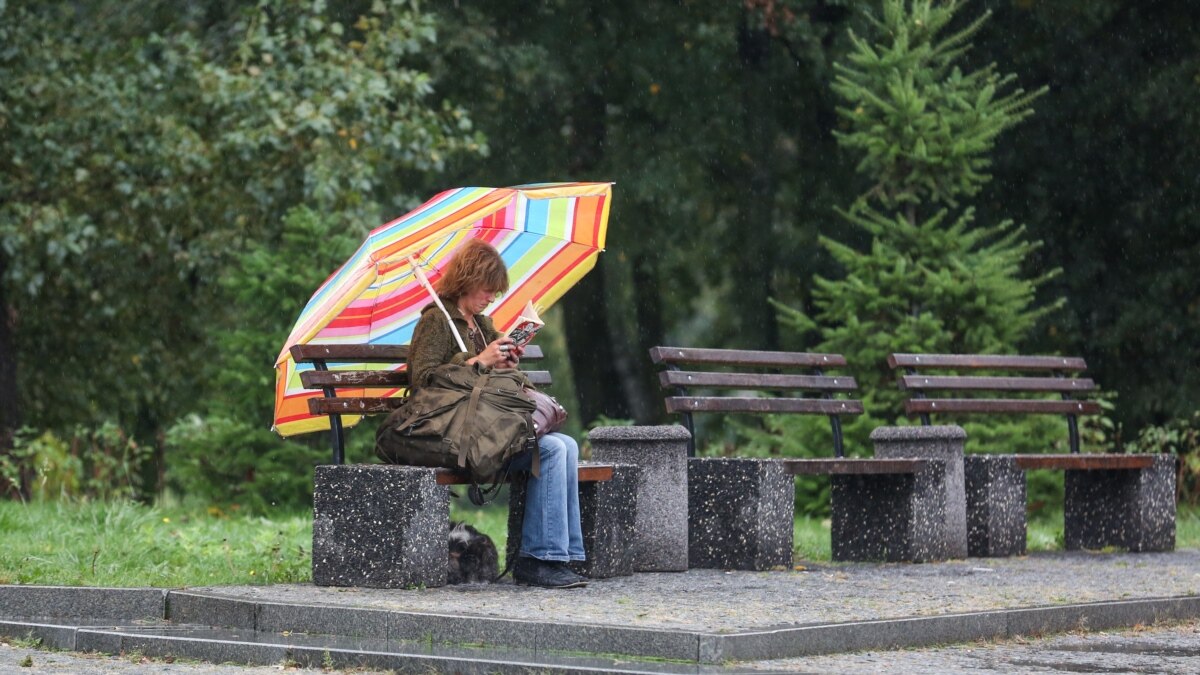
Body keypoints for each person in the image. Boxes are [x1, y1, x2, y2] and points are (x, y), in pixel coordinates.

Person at [403, 239, 587, 589]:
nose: (491, 297)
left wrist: (505, 363)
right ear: (468, 279)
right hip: (455, 437)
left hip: (485, 430)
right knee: (549, 450)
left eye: (494, 292)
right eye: (487, 289)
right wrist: (476, 361)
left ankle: (566, 555)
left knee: (567, 445)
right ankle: (537, 560)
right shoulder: (435, 322)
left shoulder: (482, 325)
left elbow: (492, 383)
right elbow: (422, 382)